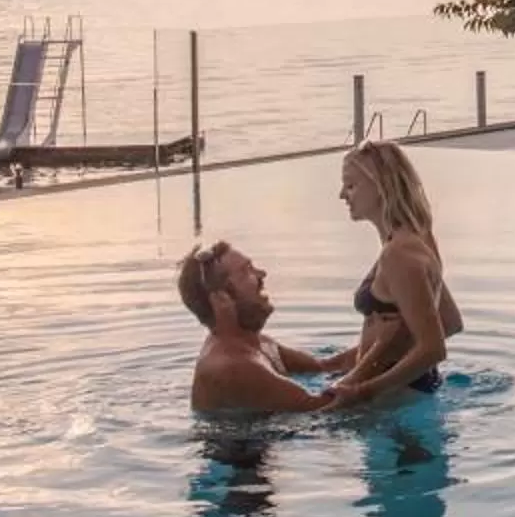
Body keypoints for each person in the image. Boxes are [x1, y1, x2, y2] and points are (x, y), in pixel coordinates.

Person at [326, 139, 463, 407]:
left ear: (379, 186)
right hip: (405, 390)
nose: (342, 194)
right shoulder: (416, 237)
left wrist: (363, 390)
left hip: (396, 399)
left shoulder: (398, 254)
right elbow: (449, 320)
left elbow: (433, 348)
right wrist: (356, 361)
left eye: (351, 185)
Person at [179, 240, 349, 413]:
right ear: (222, 300)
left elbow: (326, 367)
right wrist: (379, 350)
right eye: (246, 271)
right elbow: (327, 407)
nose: (262, 274)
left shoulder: (259, 344)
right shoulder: (234, 367)